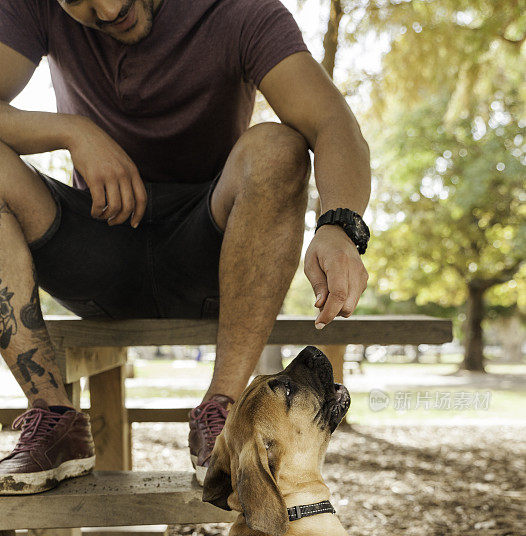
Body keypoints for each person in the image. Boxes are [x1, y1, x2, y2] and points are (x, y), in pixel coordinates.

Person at [0, 0, 370, 493]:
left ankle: (224, 410)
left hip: (211, 258)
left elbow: (331, 121)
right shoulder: (33, 7)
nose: (106, 9)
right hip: (92, 255)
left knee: (280, 146)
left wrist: (339, 228)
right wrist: (73, 131)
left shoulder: (240, 11)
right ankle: (53, 414)